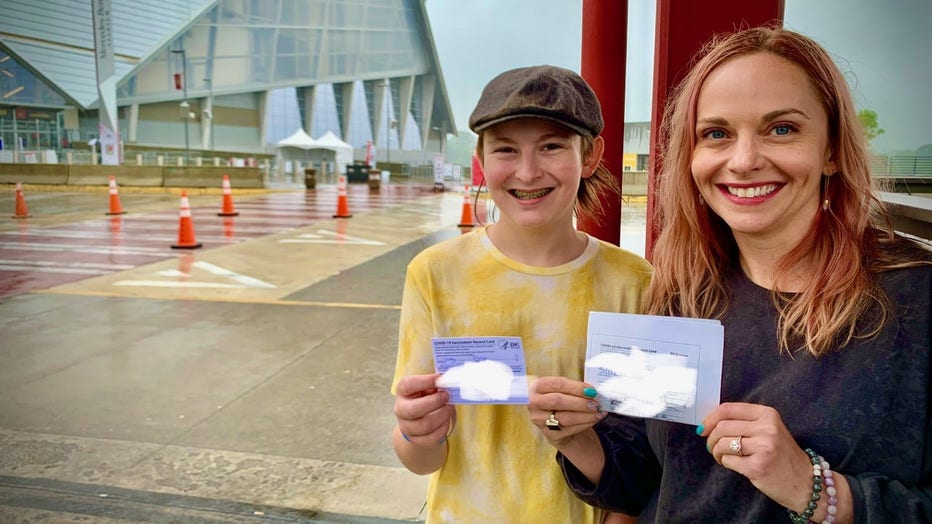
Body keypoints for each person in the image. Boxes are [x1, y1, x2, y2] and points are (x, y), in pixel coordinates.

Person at [528, 26, 932, 523]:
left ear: (831, 149)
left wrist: (817, 490)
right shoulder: (685, 290)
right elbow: (641, 478)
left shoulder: (916, 298)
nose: (743, 161)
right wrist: (575, 436)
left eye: (781, 128)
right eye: (716, 134)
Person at [390, 65, 652, 523]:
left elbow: (641, 459)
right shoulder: (435, 273)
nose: (527, 173)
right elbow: (422, 460)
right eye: (506, 150)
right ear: (482, 158)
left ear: (590, 156)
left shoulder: (634, 281)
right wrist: (418, 432)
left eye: (551, 146)